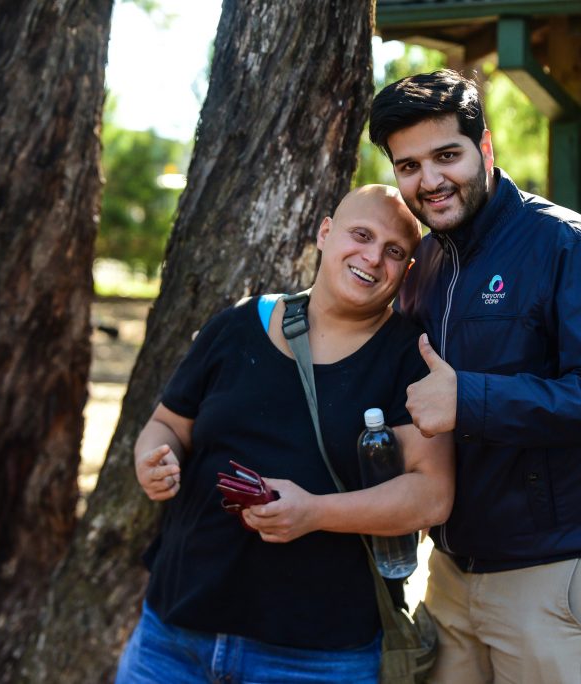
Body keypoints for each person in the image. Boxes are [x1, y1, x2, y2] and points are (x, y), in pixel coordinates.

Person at [368, 70, 581, 683]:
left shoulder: (567, 245)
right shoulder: (429, 261)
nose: (430, 180)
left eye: (447, 155)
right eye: (408, 165)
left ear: (486, 148)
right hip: (453, 570)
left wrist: (468, 398)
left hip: (560, 568)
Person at [117, 185, 455, 683]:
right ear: (324, 233)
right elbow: (168, 424)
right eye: (360, 235)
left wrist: (316, 513)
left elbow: (432, 495)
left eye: (393, 251)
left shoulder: (410, 356)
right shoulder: (236, 327)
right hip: (174, 637)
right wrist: (153, 457)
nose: (372, 257)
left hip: (318, 655)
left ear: (406, 271)